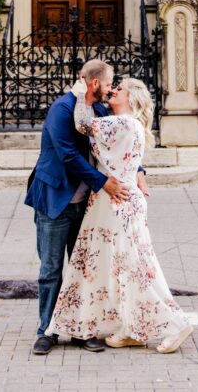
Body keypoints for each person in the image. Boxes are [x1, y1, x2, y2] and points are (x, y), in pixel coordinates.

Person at [46, 76, 194, 353]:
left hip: (117, 203)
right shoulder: (129, 125)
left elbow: (81, 124)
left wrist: (79, 93)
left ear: (131, 98)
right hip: (117, 200)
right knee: (122, 268)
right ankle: (132, 329)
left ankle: (176, 323)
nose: (114, 90)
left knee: (135, 267)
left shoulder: (121, 123)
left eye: (120, 89)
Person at [25, 59, 148, 355]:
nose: (110, 90)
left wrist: (139, 172)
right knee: (52, 268)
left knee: (84, 269)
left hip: (88, 206)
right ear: (94, 84)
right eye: (108, 84)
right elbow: (68, 155)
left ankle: (81, 329)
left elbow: (116, 146)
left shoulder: (100, 111)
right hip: (56, 199)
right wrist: (103, 183)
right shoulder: (62, 110)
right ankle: (47, 331)